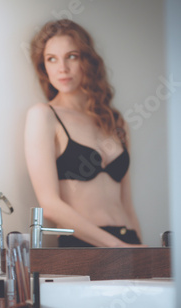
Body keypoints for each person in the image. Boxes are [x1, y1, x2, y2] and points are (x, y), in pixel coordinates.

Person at [24, 19, 146, 248]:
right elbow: (49, 205)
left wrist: (138, 250)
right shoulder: (44, 116)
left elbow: (127, 204)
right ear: (44, 67)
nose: (62, 68)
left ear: (87, 60)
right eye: (52, 59)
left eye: (71, 56)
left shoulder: (114, 120)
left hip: (128, 241)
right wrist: (116, 247)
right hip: (83, 247)